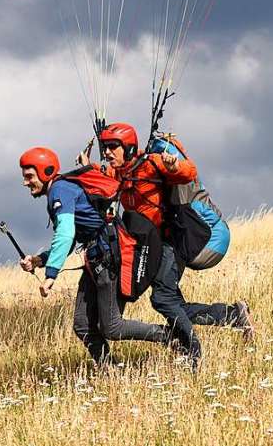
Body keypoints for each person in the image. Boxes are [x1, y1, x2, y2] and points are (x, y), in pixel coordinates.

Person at [94, 123, 254, 367]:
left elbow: (188, 173)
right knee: (168, 300)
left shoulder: (151, 162)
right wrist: (89, 166)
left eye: (112, 147)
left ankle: (193, 352)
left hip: (172, 241)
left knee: (163, 299)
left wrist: (174, 165)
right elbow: (105, 180)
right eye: (105, 147)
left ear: (128, 148)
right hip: (158, 243)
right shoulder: (123, 172)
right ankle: (232, 315)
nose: (107, 152)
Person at [18, 146, 173, 367]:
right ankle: (111, 372)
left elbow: (65, 232)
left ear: (45, 171)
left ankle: (172, 337)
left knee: (112, 327)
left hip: (106, 257)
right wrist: (40, 260)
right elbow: (73, 237)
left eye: (29, 176)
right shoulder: (61, 189)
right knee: (83, 325)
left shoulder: (59, 190)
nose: (25, 182)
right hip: (97, 257)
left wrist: (51, 274)